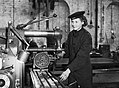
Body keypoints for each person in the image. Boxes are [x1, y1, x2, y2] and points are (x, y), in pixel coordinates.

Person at [59, 11, 93, 88]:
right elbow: (67, 49)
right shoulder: (71, 34)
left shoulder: (87, 36)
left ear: (83, 22)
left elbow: (82, 56)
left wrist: (68, 71)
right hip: (72, 72)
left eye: (76, 22)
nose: (73, 24)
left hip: (83, 73)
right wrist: (61, 53)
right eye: (72, 22)